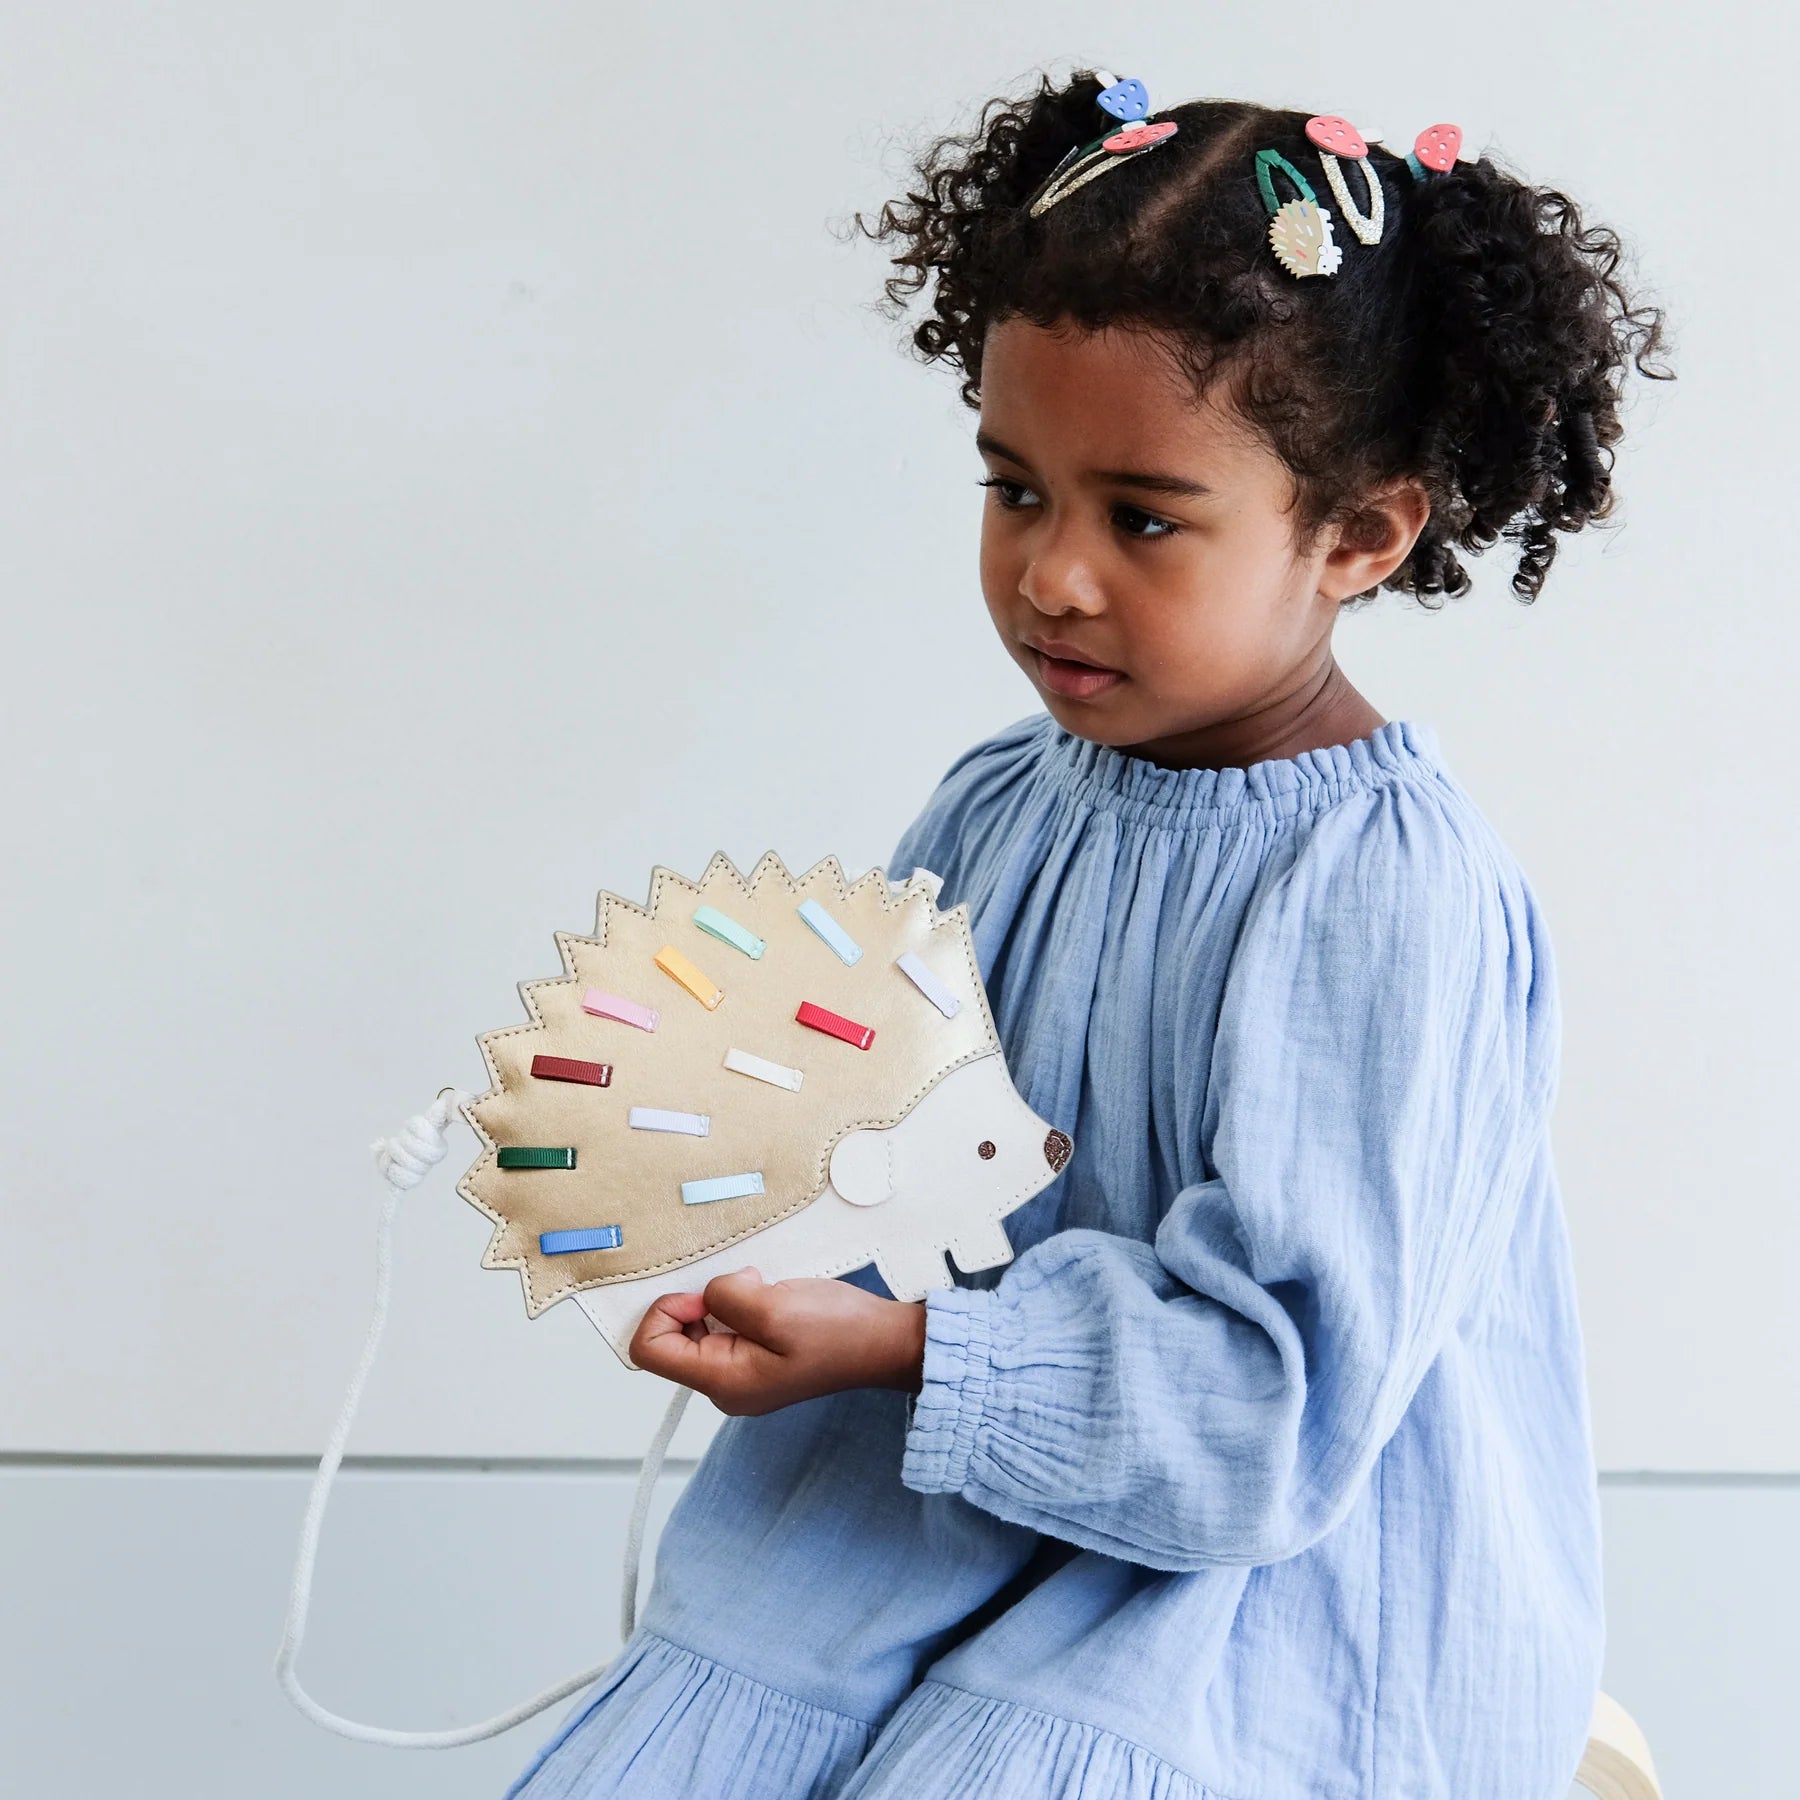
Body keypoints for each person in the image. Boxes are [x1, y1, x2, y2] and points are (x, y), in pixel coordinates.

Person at [504, 70, 1670, 1799]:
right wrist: (710, 1209)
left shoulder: (1381, 889)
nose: (1052, 575)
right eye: (1014, 490)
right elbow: (884, 1161)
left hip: (1259, 1591)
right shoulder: (999, 804)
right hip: (930, 1504)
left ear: (1359, 533)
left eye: (1142, 516)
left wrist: (905, 1346)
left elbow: (1276, 1409)